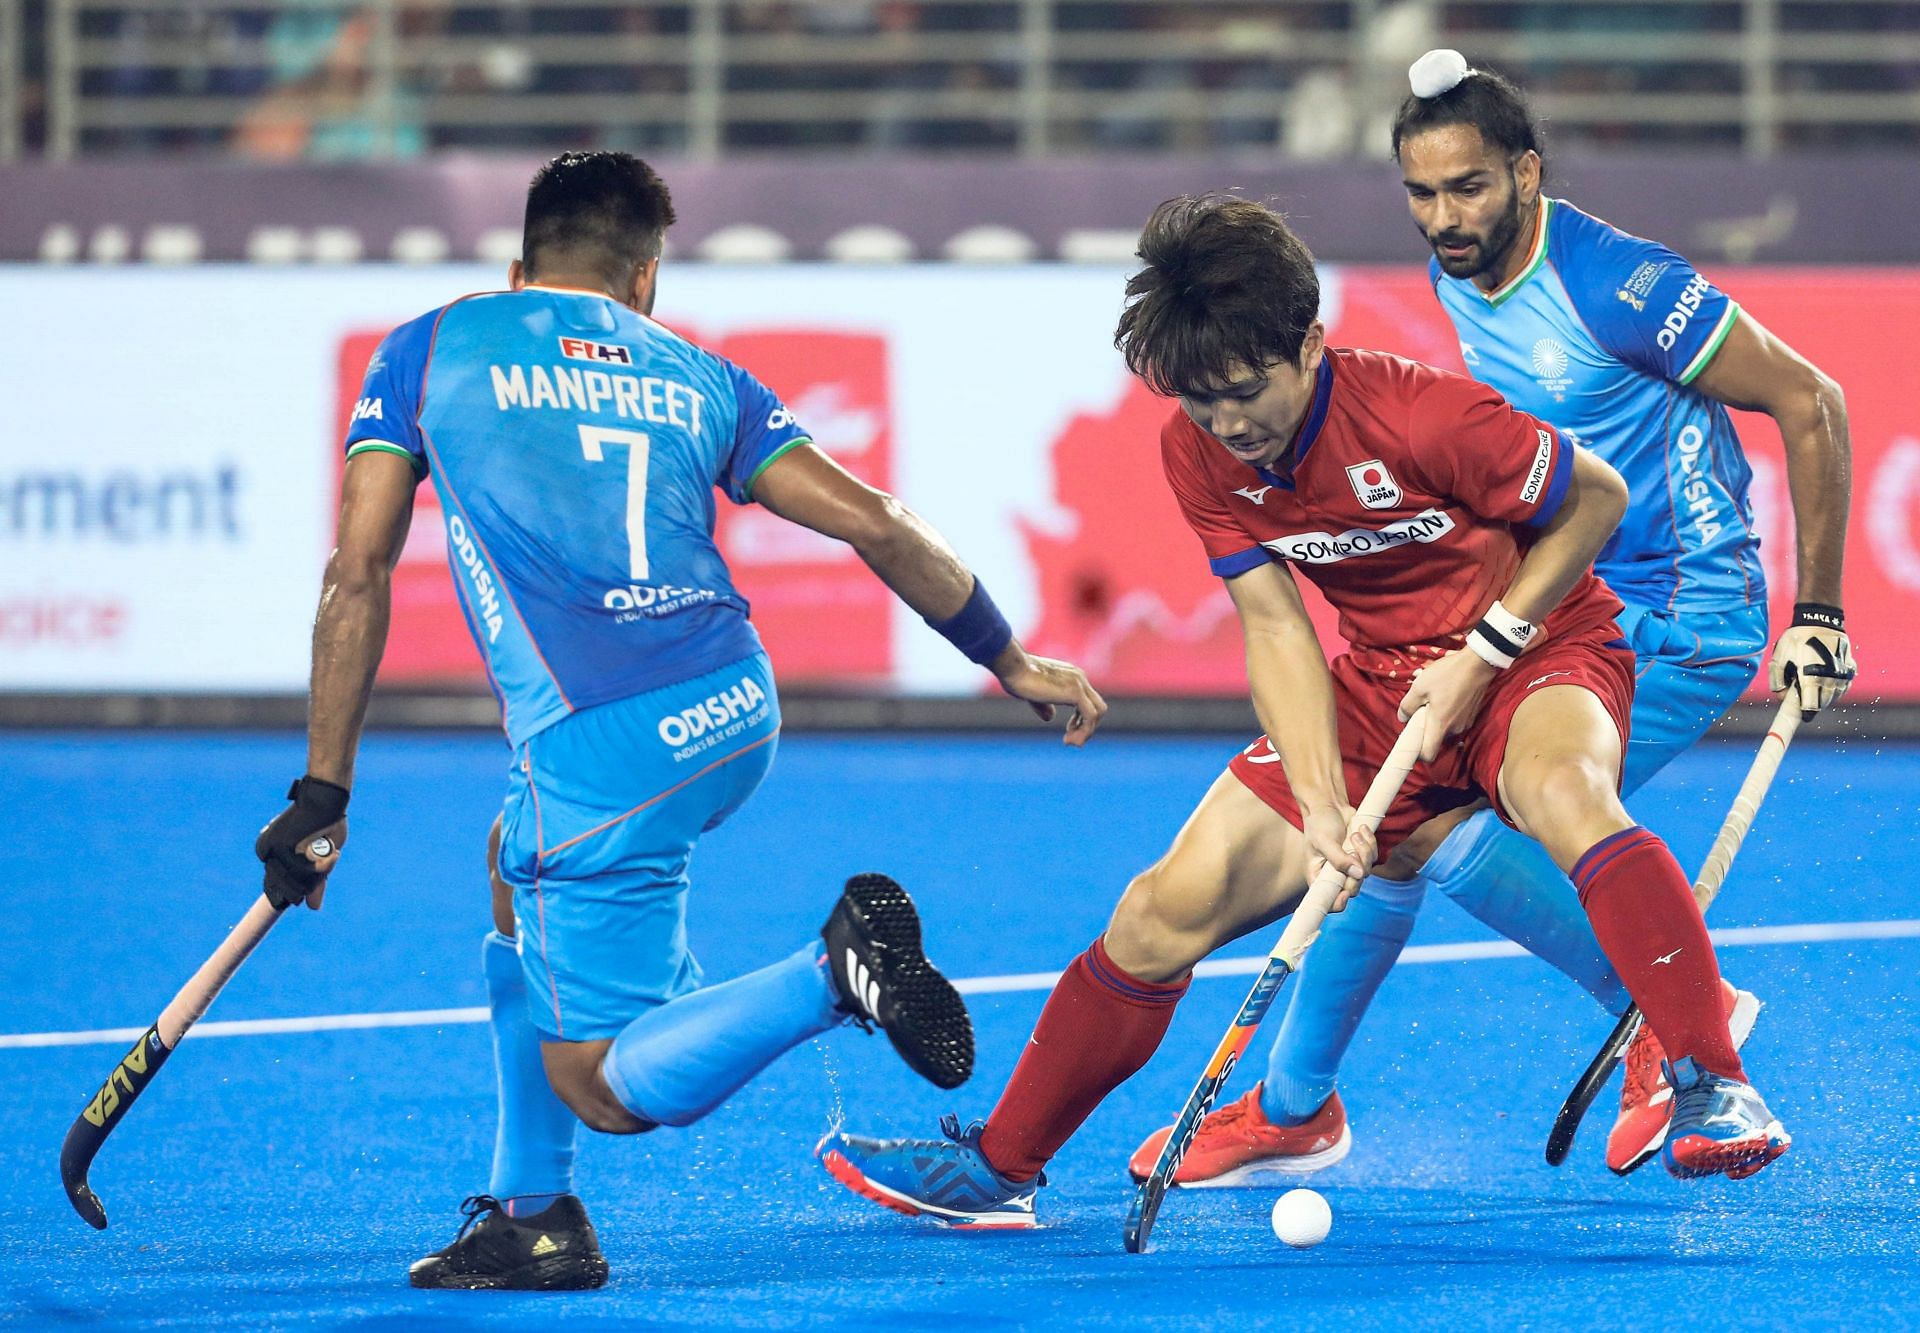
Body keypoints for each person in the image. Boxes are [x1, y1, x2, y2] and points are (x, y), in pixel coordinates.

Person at [818, 193, 1794, 1231]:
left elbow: (1591, 500)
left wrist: (1487, 649)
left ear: (1311, 345)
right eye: (1202, 405)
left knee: (1563, 787)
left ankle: (1712, 1076)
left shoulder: (1425, 415)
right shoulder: (1198, 452)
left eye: (1245, 392)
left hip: (1536, 650)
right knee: (1160, 911)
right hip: (1376, 685)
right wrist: (1326, 806)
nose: (1229, 426)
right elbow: (1275, 623)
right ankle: (1001, 1168)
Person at [251, 150, 1107, 1288]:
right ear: (645, 278)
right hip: (737, 705)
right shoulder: (704, 377)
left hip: (600, 742)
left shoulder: (429, 346)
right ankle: (528, 1213)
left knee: (603, 1088)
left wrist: (322, 794)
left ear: (517, 267)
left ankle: (823, 974)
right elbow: (881, 523)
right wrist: (1005, 655)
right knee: (515, 863)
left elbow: (356, 574)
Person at [1130, 49, 1856, 1187]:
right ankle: (1295, 1107)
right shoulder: (1459, 272)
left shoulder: (1617, 283)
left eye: (1467, 188)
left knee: (1446, 820)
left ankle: (1681, 1026)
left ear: (1526, 172)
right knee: (1393, 830)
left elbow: (1813, 399)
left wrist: (1821, 611)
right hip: (1564, 588)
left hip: (1676, 608)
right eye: (1420, 194)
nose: (1443, 217)